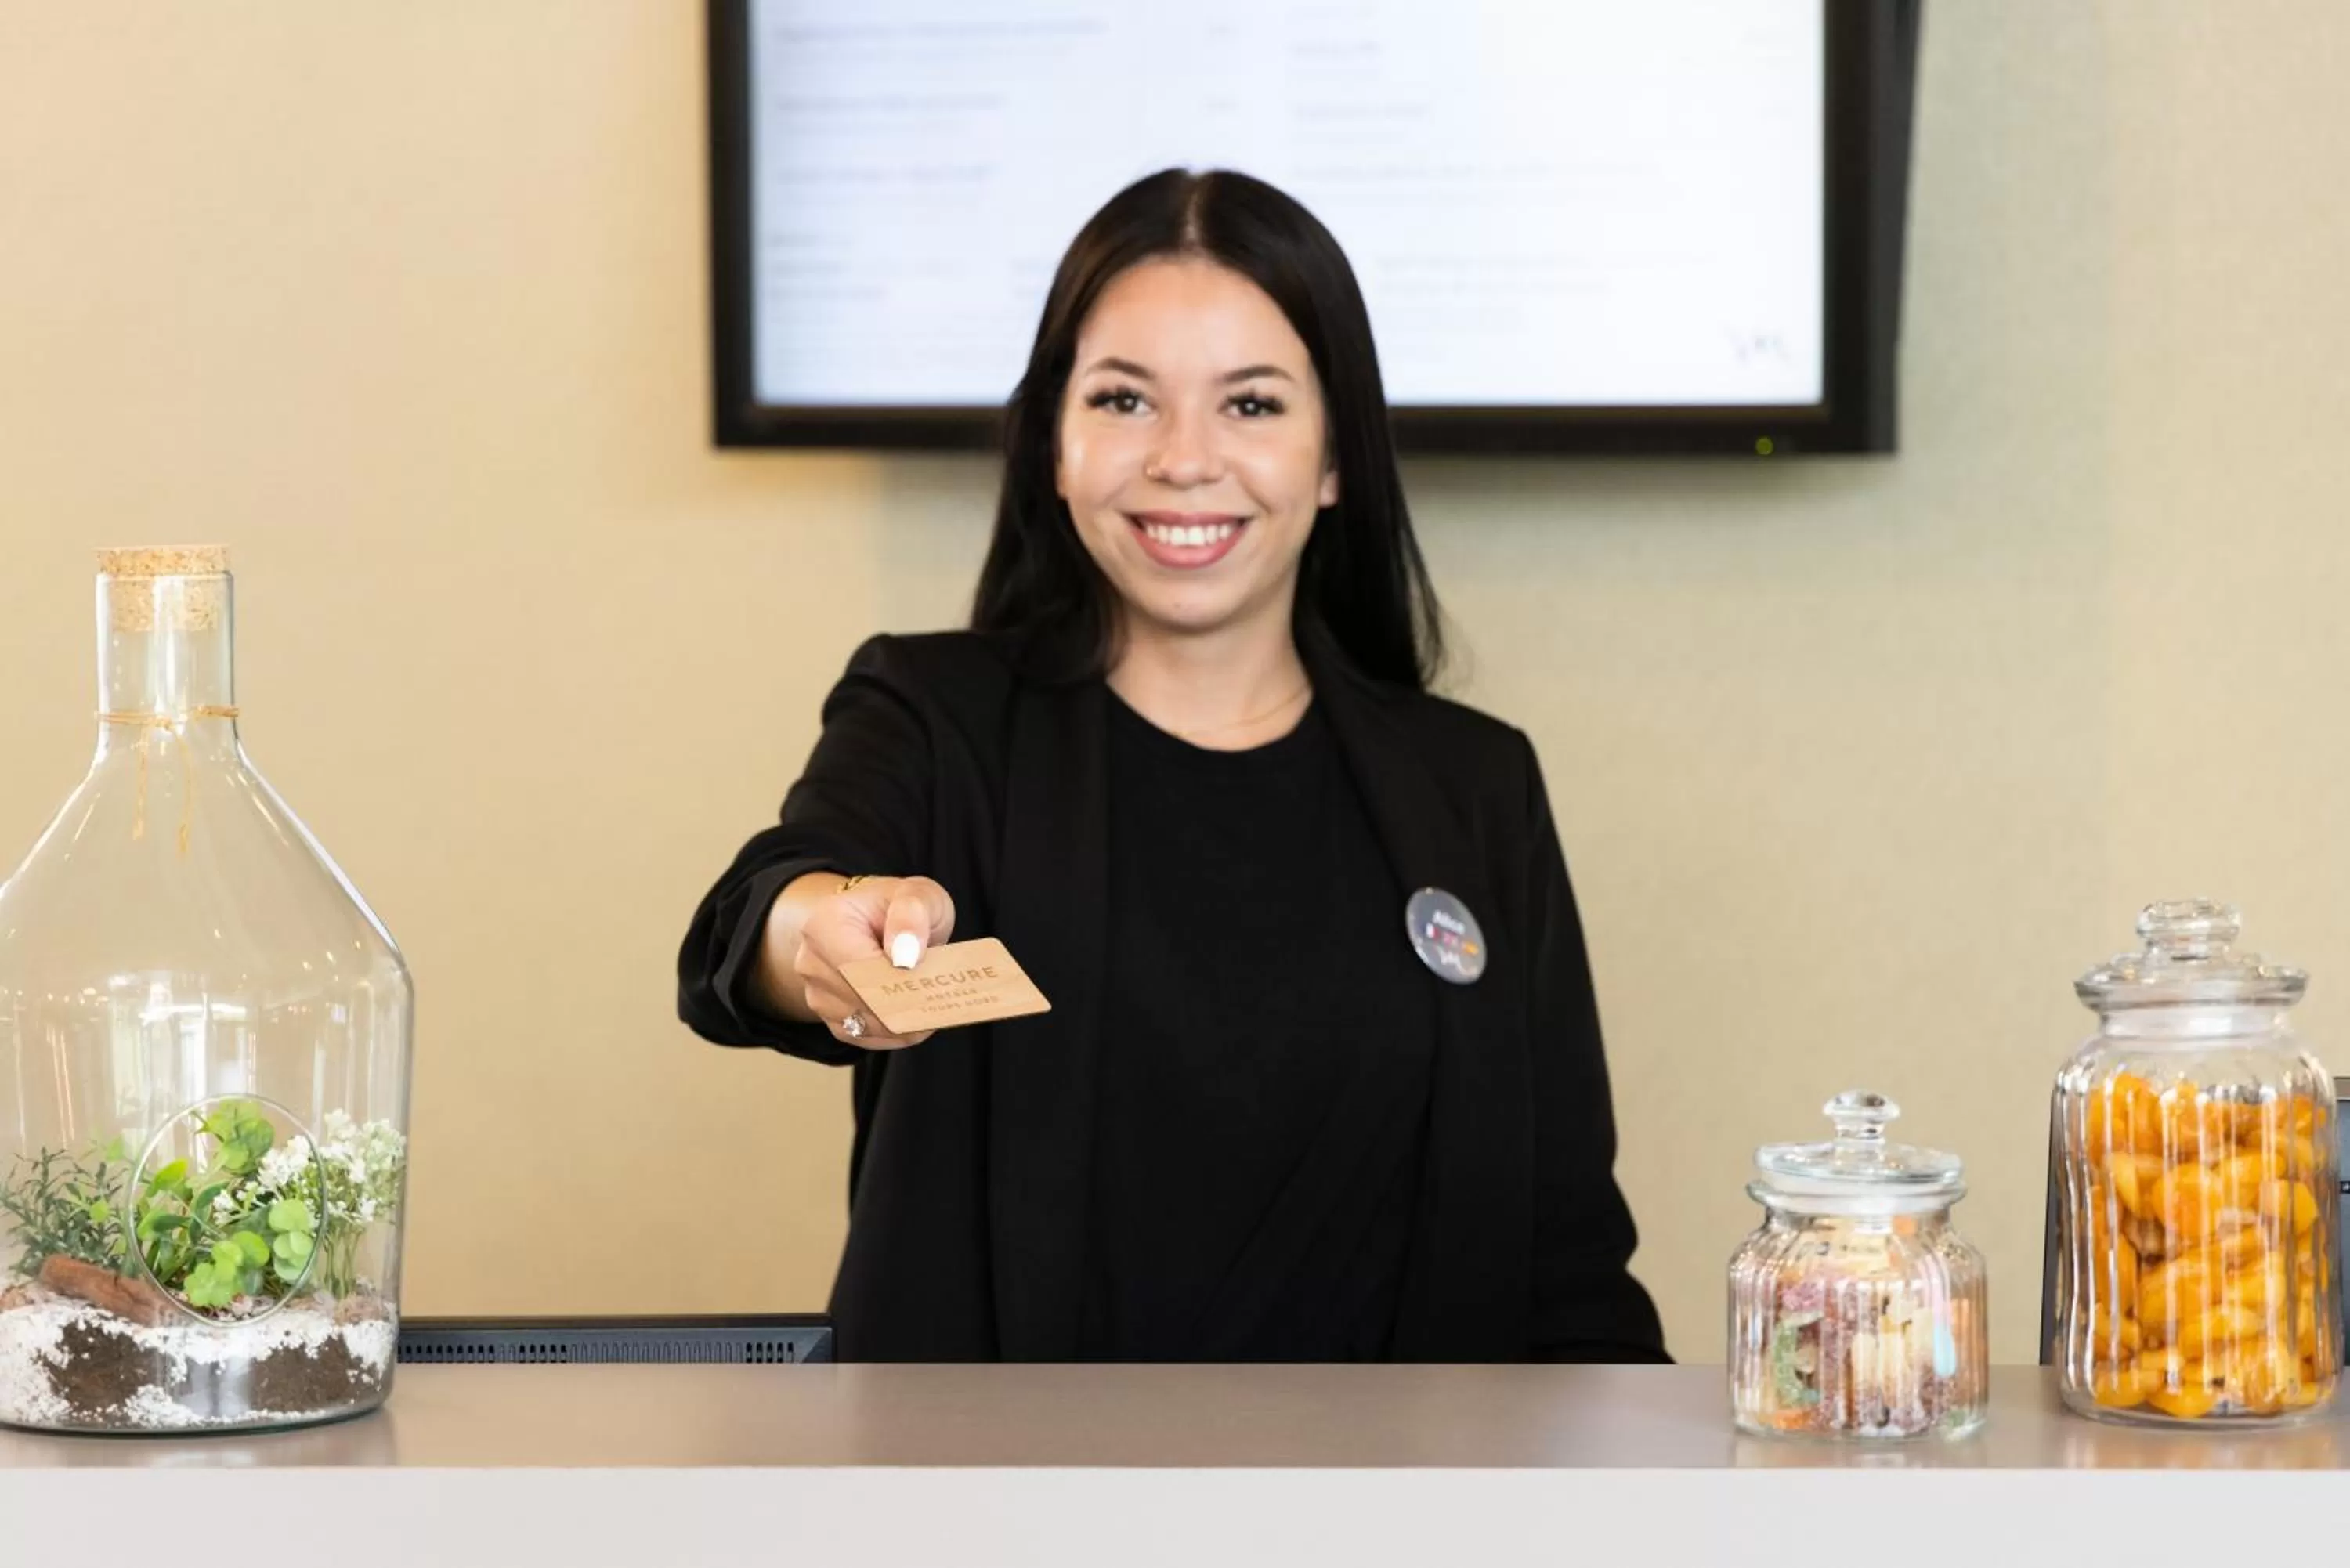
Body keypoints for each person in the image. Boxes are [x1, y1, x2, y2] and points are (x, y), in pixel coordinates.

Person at [678, 168, 1666, 1365]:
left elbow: (1567, 1257)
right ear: (1054, 439)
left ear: (1338, 455)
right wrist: (821, 932)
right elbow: (758, 917)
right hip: (994, 1516)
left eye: (1251, 406)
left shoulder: (1475, 786)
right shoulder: (939, 715)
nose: (1185, 460)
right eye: (1125, 400)